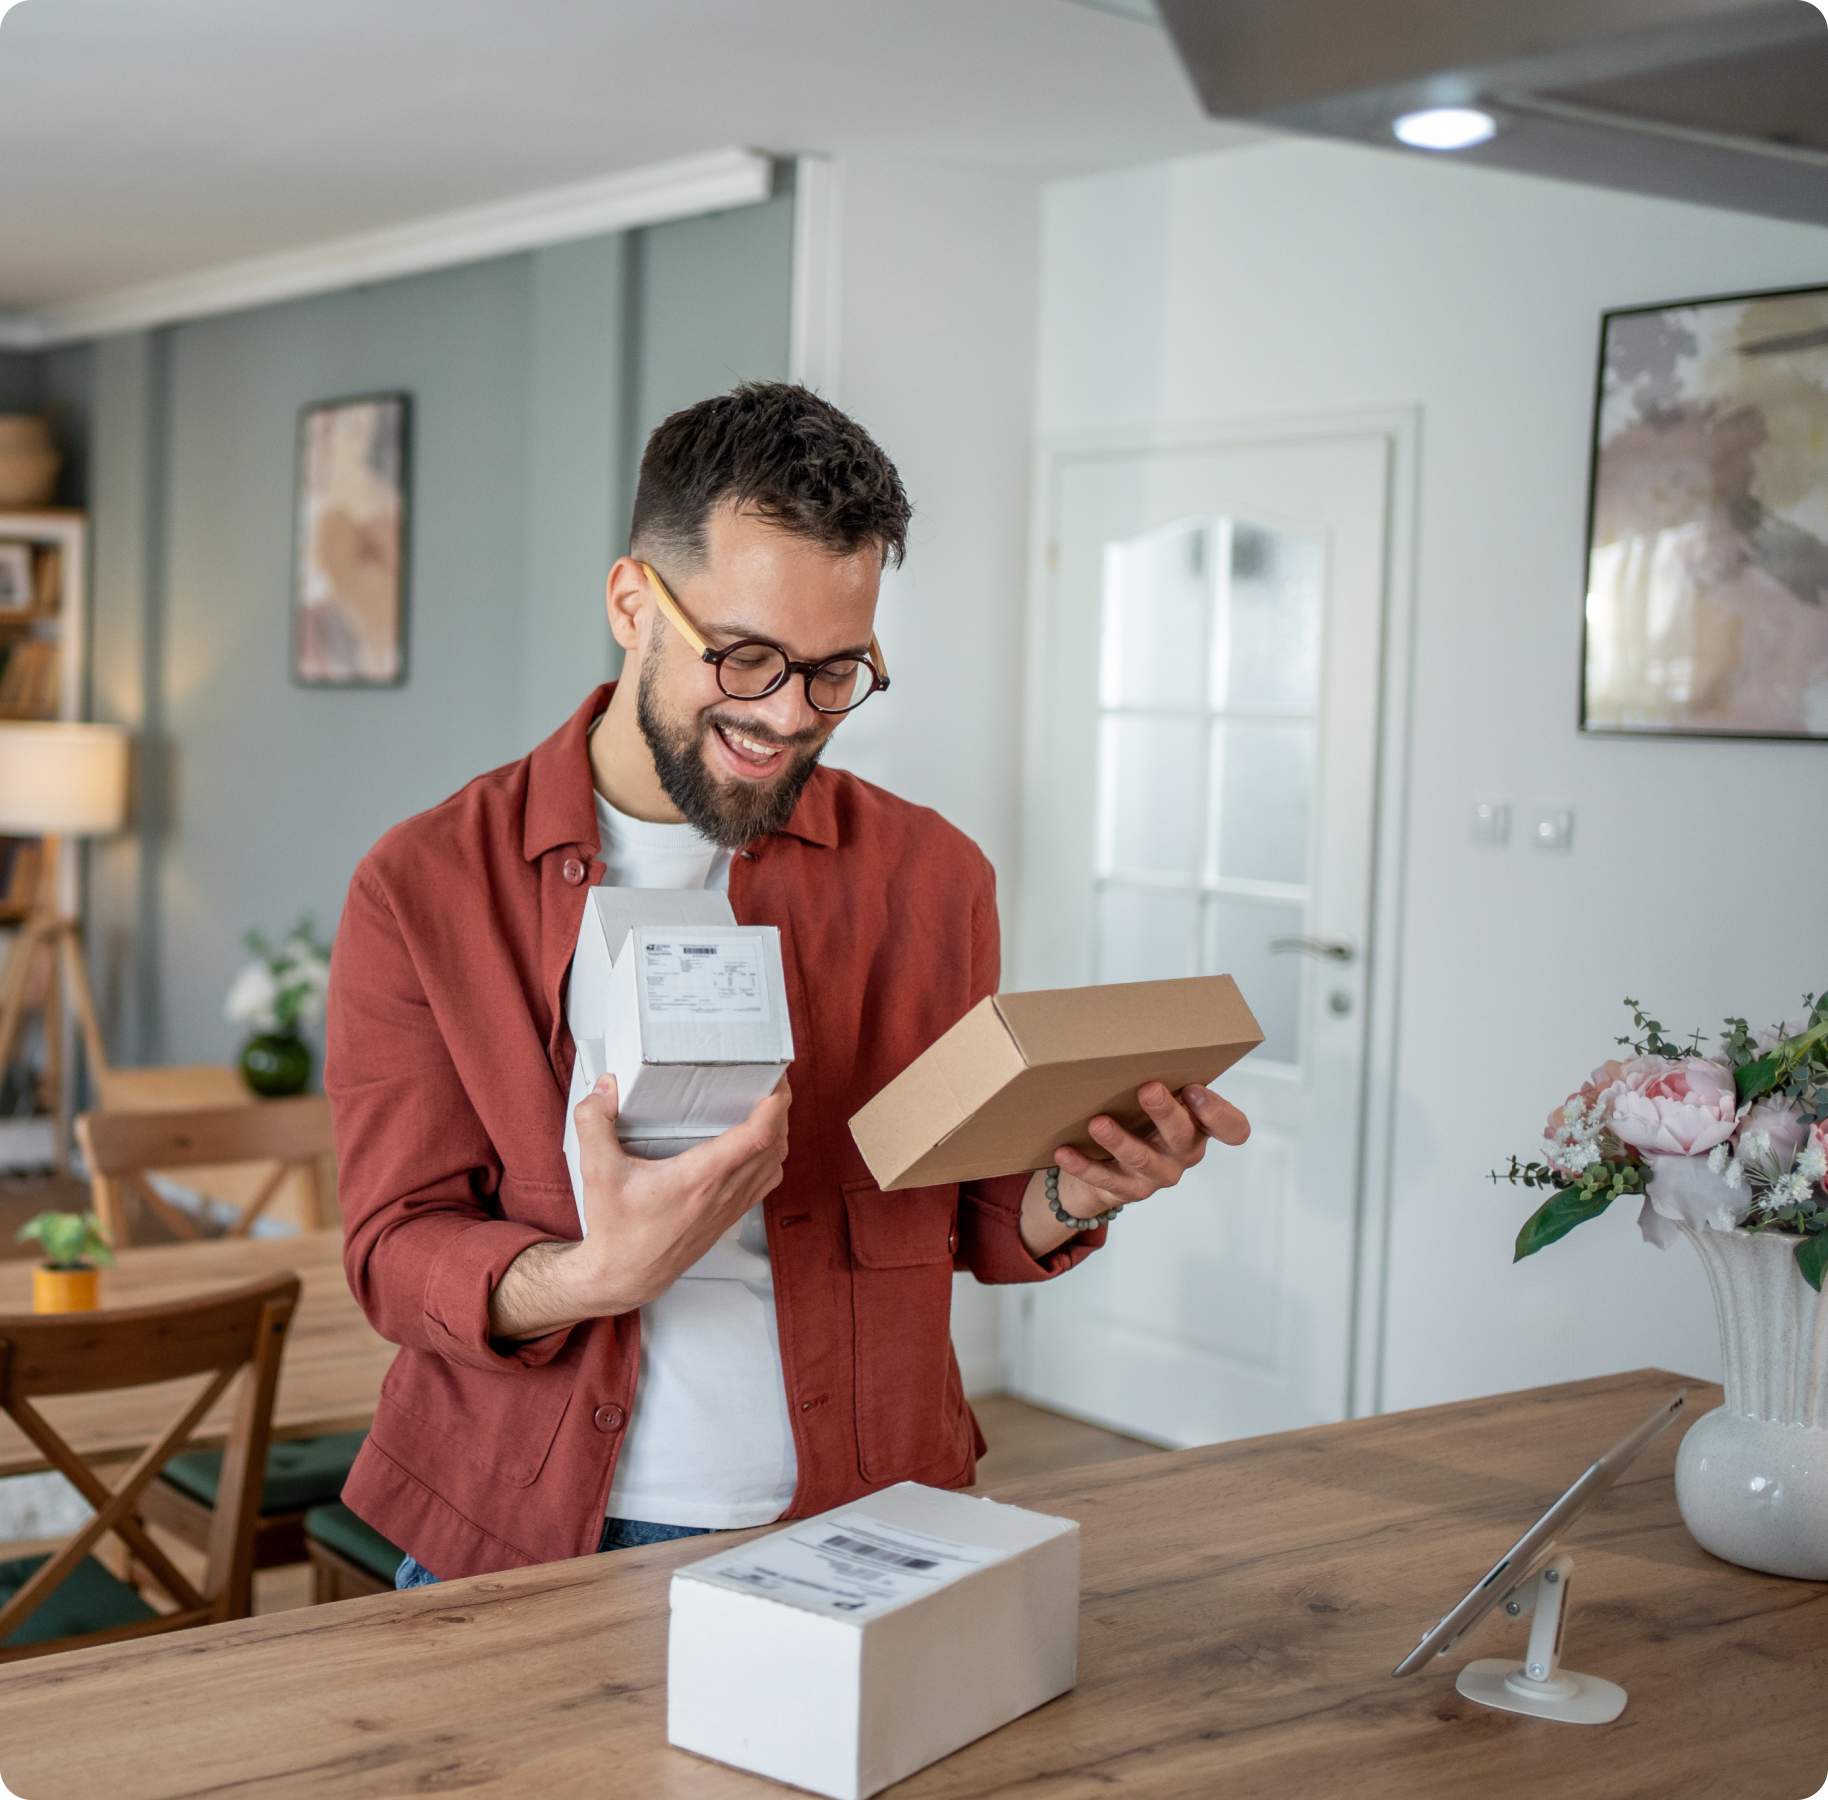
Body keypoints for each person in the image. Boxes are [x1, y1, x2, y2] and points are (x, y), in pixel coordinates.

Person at [325, 383, 1250, 1585]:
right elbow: (395, 1250)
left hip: (868, 1514)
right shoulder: (427, 885)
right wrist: (599, 1276)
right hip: (533, 1531)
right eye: (748, 657)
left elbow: (953, 1211)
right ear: (629, 604)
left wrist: (1077, 1191)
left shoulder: (930, 878)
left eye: (834, 672)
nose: (785, 717)